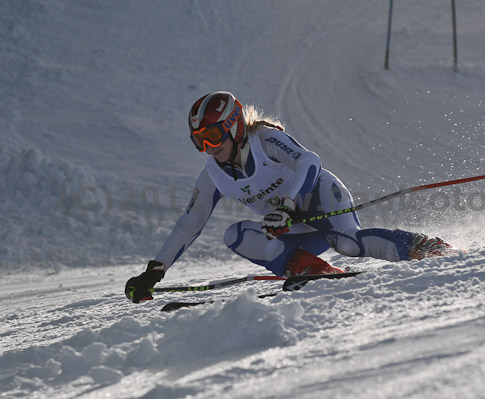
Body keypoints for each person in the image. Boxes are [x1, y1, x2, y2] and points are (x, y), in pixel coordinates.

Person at [125, 91, 452, 303]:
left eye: (212, 137)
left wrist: (288, 204)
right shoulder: (212, 175)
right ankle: (311, 270)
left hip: (322, 198)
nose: (208, 149)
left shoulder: (265, 140)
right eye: (200, 142)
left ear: (234, 127)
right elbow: (189, 225)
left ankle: (424, 247)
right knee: (234, 235)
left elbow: (310, 162)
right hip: (292, 227)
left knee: (348, 244)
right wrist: (156, 270)